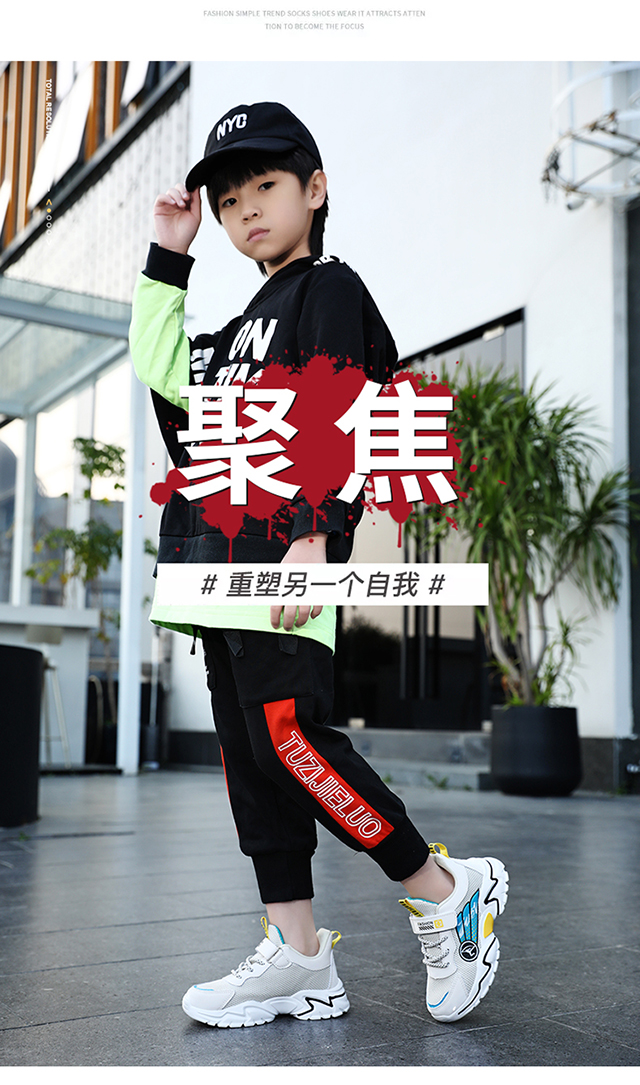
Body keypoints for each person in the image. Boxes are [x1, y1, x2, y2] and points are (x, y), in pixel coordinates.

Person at [129, 101, 508, 1029]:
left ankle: (445, 887)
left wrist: (317, 530)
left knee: (294, 746)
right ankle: (298, 955)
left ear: (315, 188)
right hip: (217, 579)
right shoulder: (236, 330)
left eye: (265, 186)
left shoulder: (327, 288)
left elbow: (350, 404)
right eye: (228, 201)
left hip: (283, 570)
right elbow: (164, 375)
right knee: (252, 766)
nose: (246, 209)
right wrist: (169, 255)